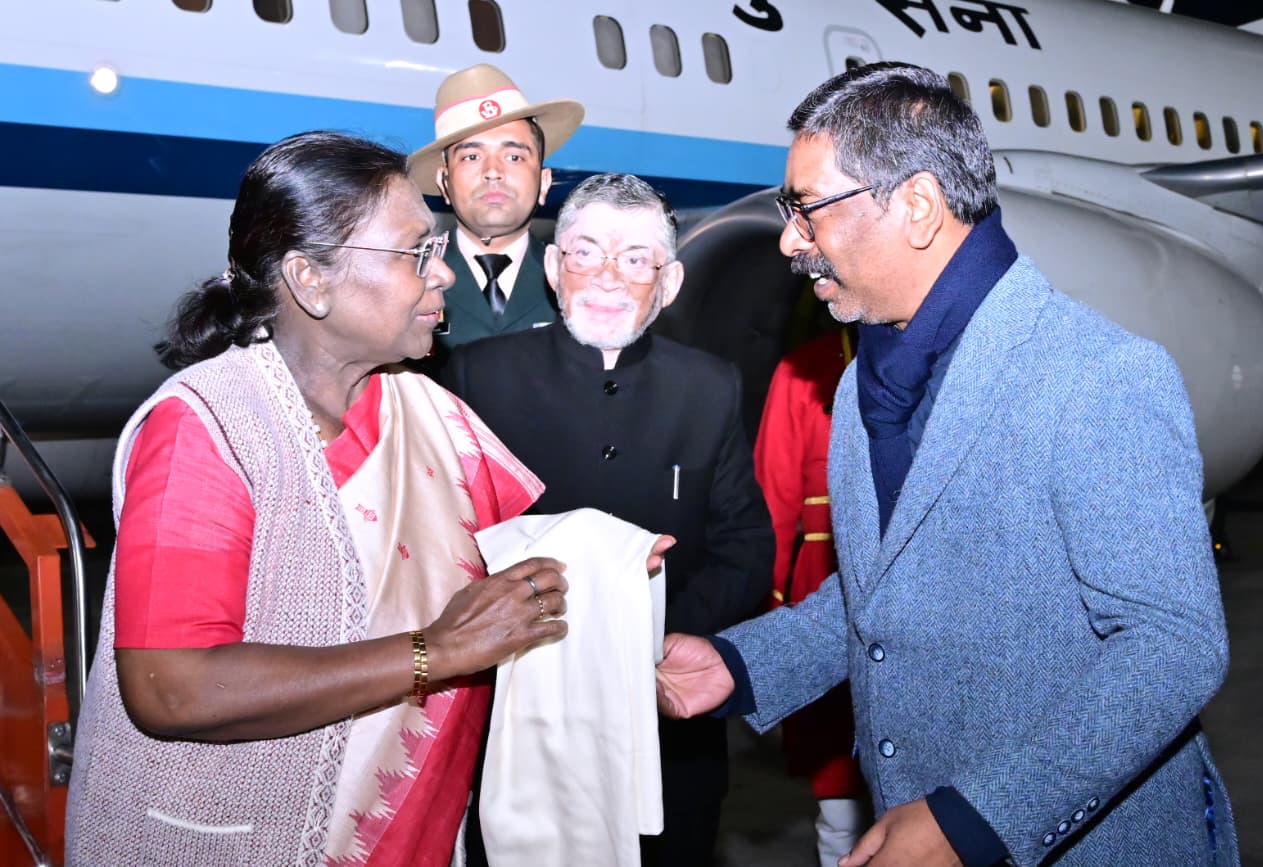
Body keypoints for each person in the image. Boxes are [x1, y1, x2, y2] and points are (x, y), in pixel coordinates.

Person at [655, 63, 1238, 867]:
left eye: (807, 209)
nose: (789, 240)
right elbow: (883, 592)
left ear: (919, 207)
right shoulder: (865, 378)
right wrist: (741, 664)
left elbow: (1173, 648)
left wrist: (978, 819)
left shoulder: (1095, 374)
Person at [66, 131, 572, 866]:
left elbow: (516, 558)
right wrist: (435, 652)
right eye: (415, 253)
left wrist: (616, 571)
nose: (443, 274)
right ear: (310, 279)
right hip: (230, 842)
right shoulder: (205, 430)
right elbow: (170, 689)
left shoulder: (426, 413)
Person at [444, 173, 774, 867]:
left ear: (669, 282)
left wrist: (645, 636)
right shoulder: (475, 377)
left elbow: (744, 544)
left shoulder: (710, 386)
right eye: (586, 253)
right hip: (518, 710)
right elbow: (444, 540)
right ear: (553, 267)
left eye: (635, 259)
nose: (607, 277)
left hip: (662, 713)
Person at [754, 324, 872, 866]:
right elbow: (773, 505)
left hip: (925, 589)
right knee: (838, 793)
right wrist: (770, 626)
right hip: (824, 587)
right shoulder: (802, 370)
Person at [408, 63, 584, 365]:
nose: (492, 171)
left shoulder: (580, 281)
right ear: (444, 183)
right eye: (471, 156)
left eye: (514, 156)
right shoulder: (408, 282)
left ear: (544, 183)